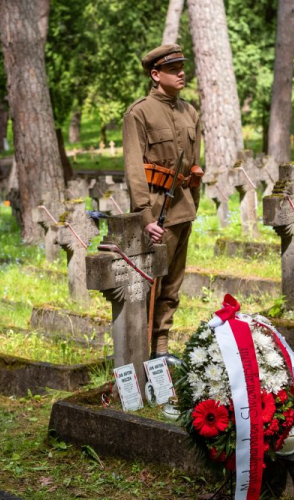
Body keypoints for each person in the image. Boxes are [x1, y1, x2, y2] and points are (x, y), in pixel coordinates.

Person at [122, 44, 203, 367]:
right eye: (173, 69)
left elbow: (195, 167)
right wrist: (145, 215)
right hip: (156, 213)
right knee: (148, 284)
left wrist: (194, 204)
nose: (182, 73)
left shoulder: (190, 111)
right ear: (156, 75)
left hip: (183, 210)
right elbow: (134, 168)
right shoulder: (139, 113)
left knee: (172, 284)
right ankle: (139, 351)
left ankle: (162, 347)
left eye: (182, 67)